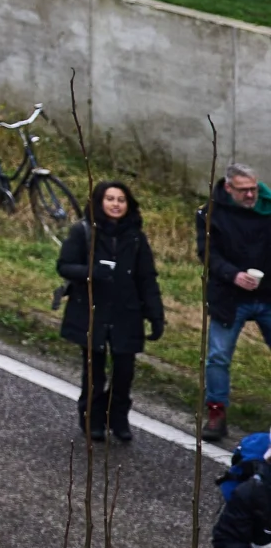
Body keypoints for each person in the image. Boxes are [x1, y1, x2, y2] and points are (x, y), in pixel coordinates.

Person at [59, 180, 166, 443]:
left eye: (121, 199)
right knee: (94, 371)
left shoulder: (137, 238)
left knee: (124, 371)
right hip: (92, 311)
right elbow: (64, 266)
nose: (115, 204)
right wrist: (91, 273)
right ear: (99, 202)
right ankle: (91, 417)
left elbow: (147, 278)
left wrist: (155, 315)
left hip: (126, 312)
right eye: (110, 199)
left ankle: (117, 417)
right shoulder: (83, 232)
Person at [203, 165, 271, 438]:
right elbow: (207, 253)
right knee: (218, 356)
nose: (250, 194)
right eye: (243, 190)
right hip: (229, 296)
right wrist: (233, 275)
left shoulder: (267, 210)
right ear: (229, 188)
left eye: (253, 188)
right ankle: (216, 412)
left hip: (268, 294)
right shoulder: (210, 214)